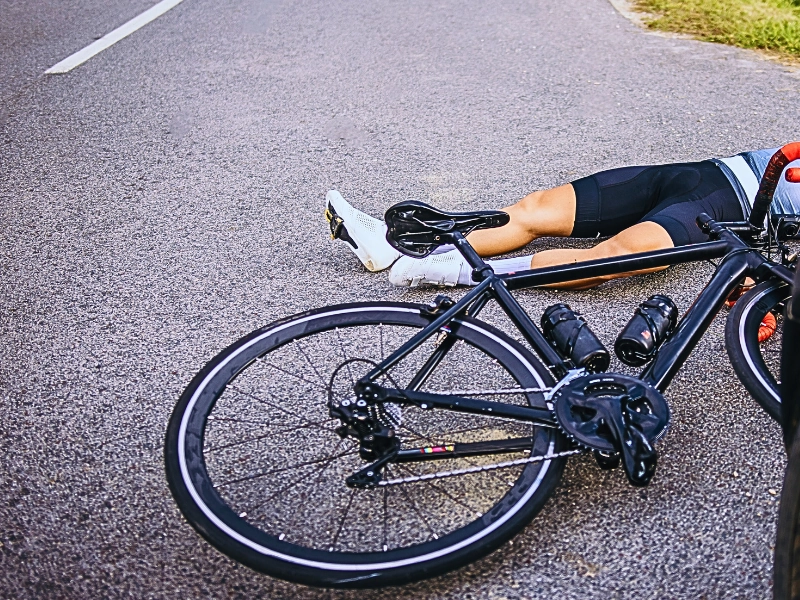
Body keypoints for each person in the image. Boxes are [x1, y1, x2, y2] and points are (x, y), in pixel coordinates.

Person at [325, 147, 800, 290]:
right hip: (703, 173)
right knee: (533, 210)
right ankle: (388, 244)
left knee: (615, 259)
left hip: (729, 210)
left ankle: (450, 270)